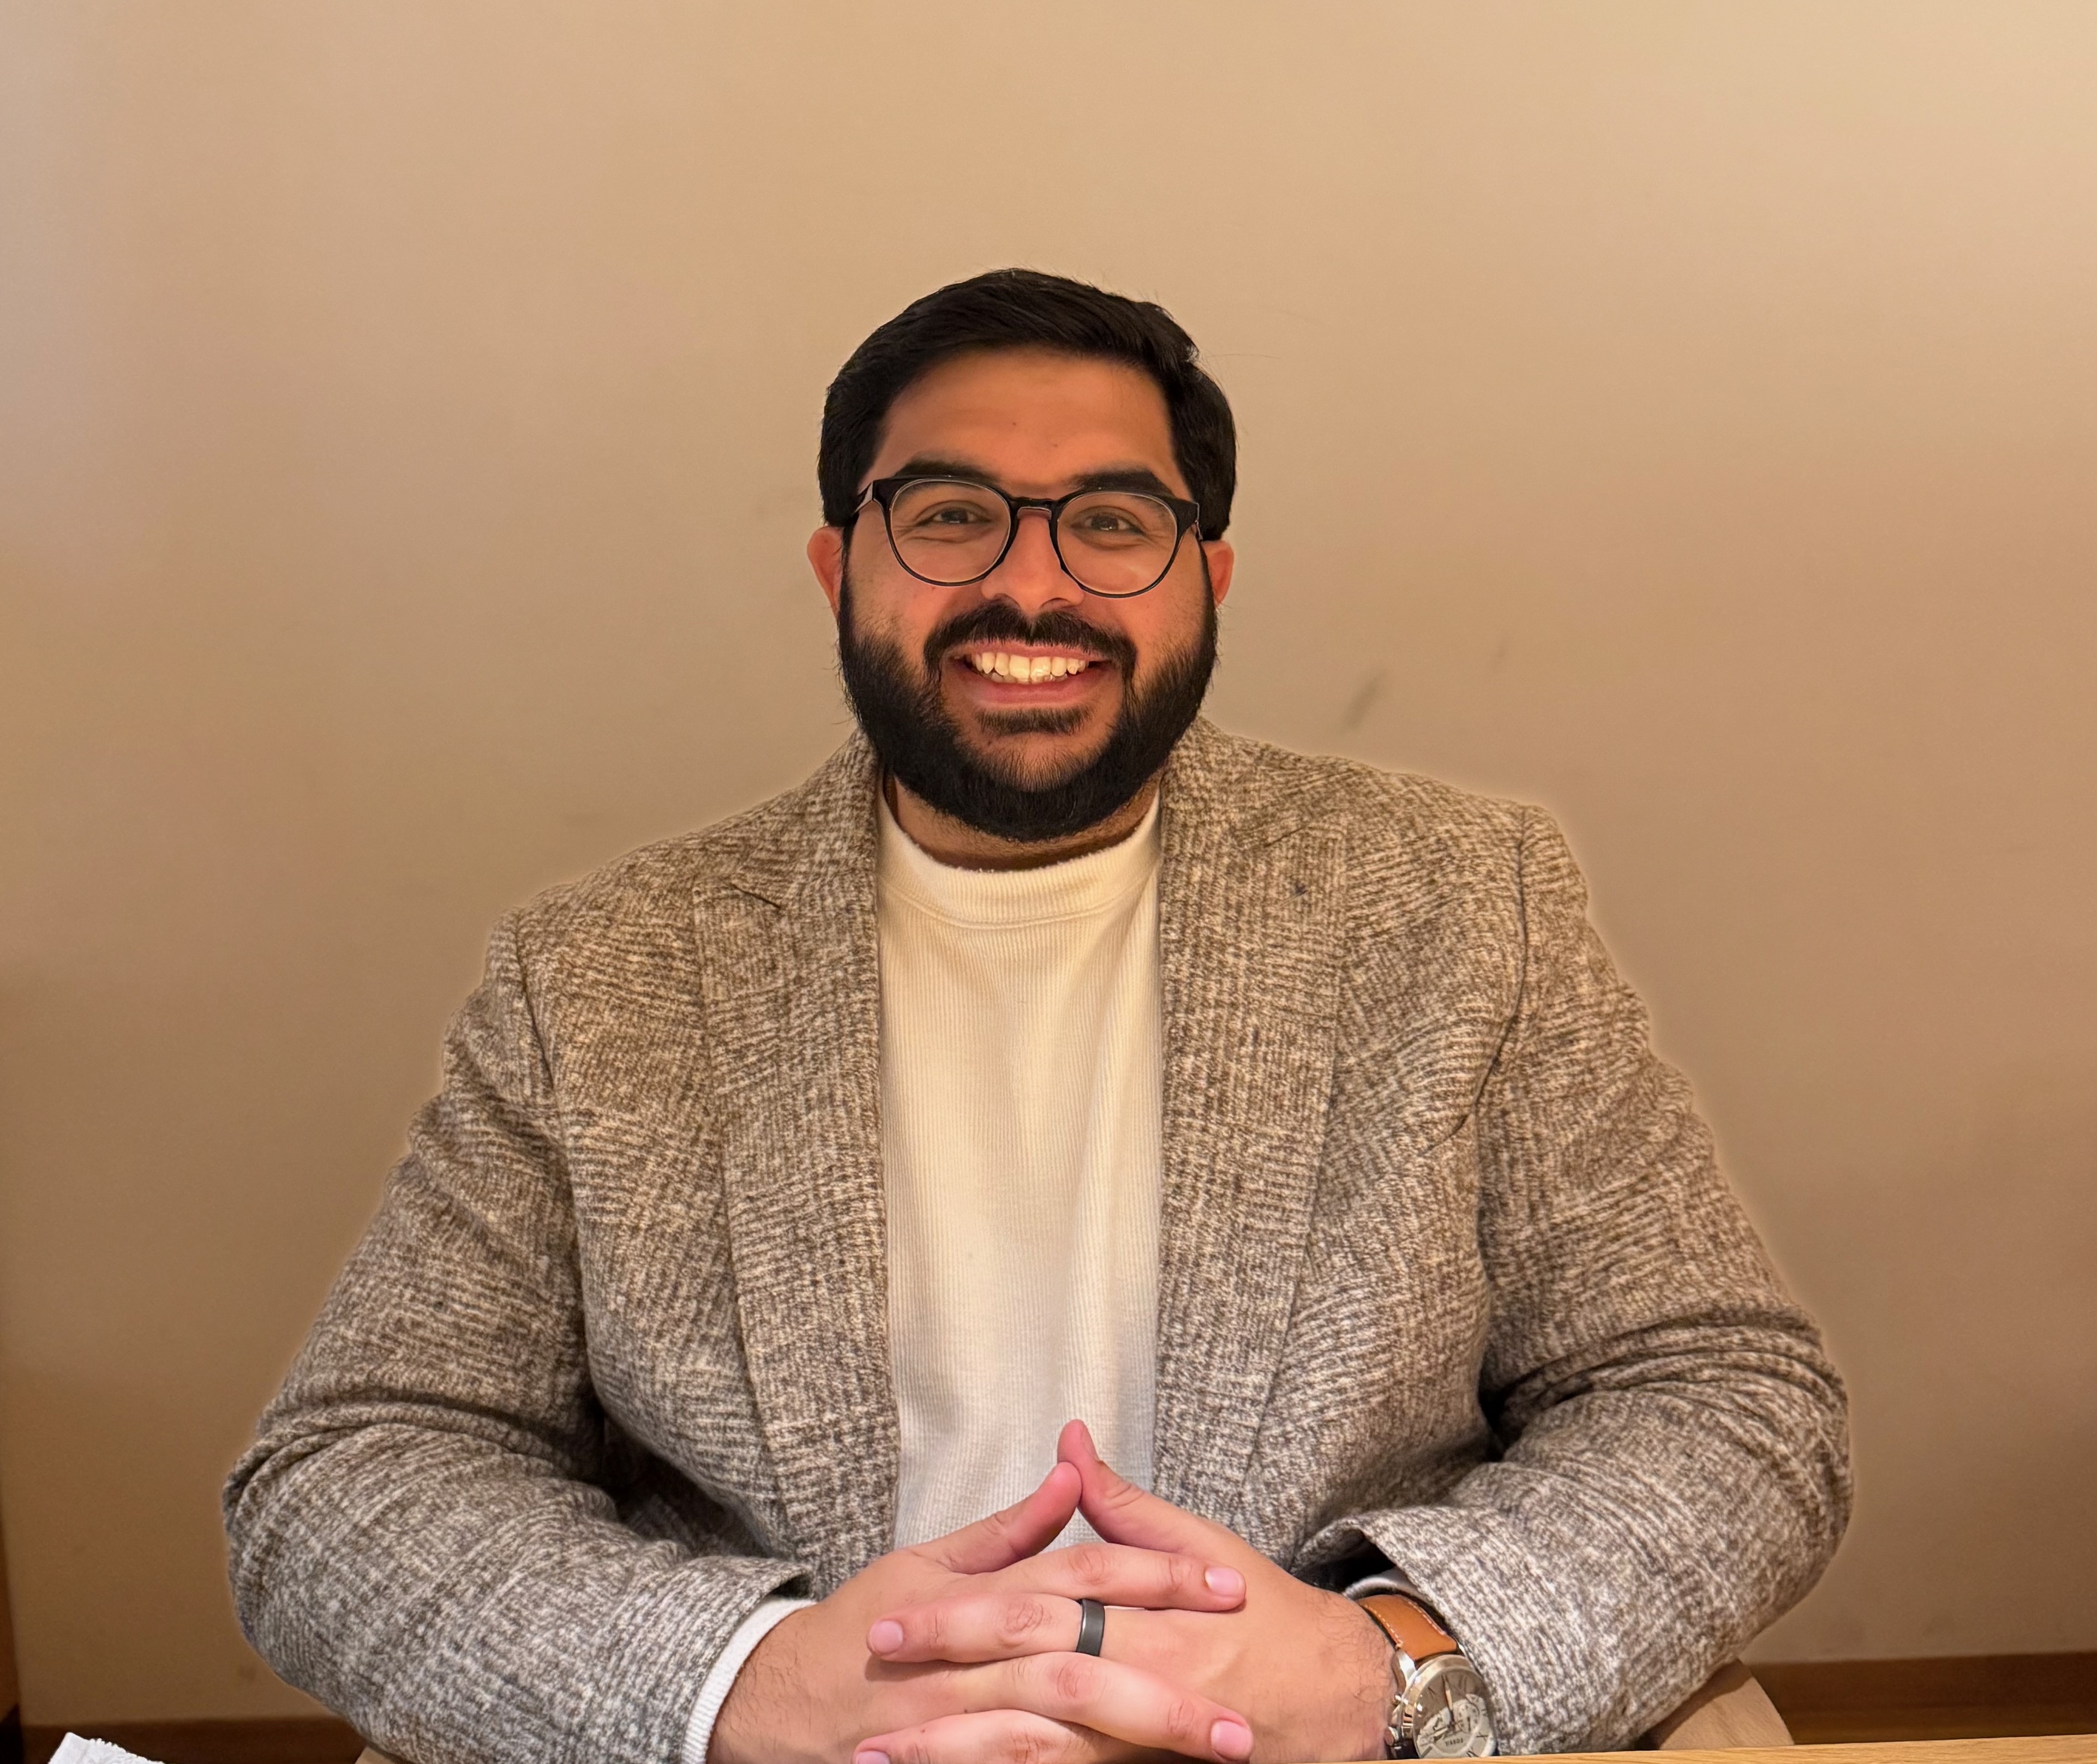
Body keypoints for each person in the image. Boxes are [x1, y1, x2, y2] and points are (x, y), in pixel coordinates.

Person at [224, 269, 1850, 1764]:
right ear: (837, 569)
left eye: (1112, 524)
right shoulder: (595, 977)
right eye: (949, 516)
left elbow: (1719, 1394)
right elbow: (351, 1468)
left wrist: (1389, 1661)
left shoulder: (1464, 904)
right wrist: (740, 1682)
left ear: (1207, 577)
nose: (1029, 586)